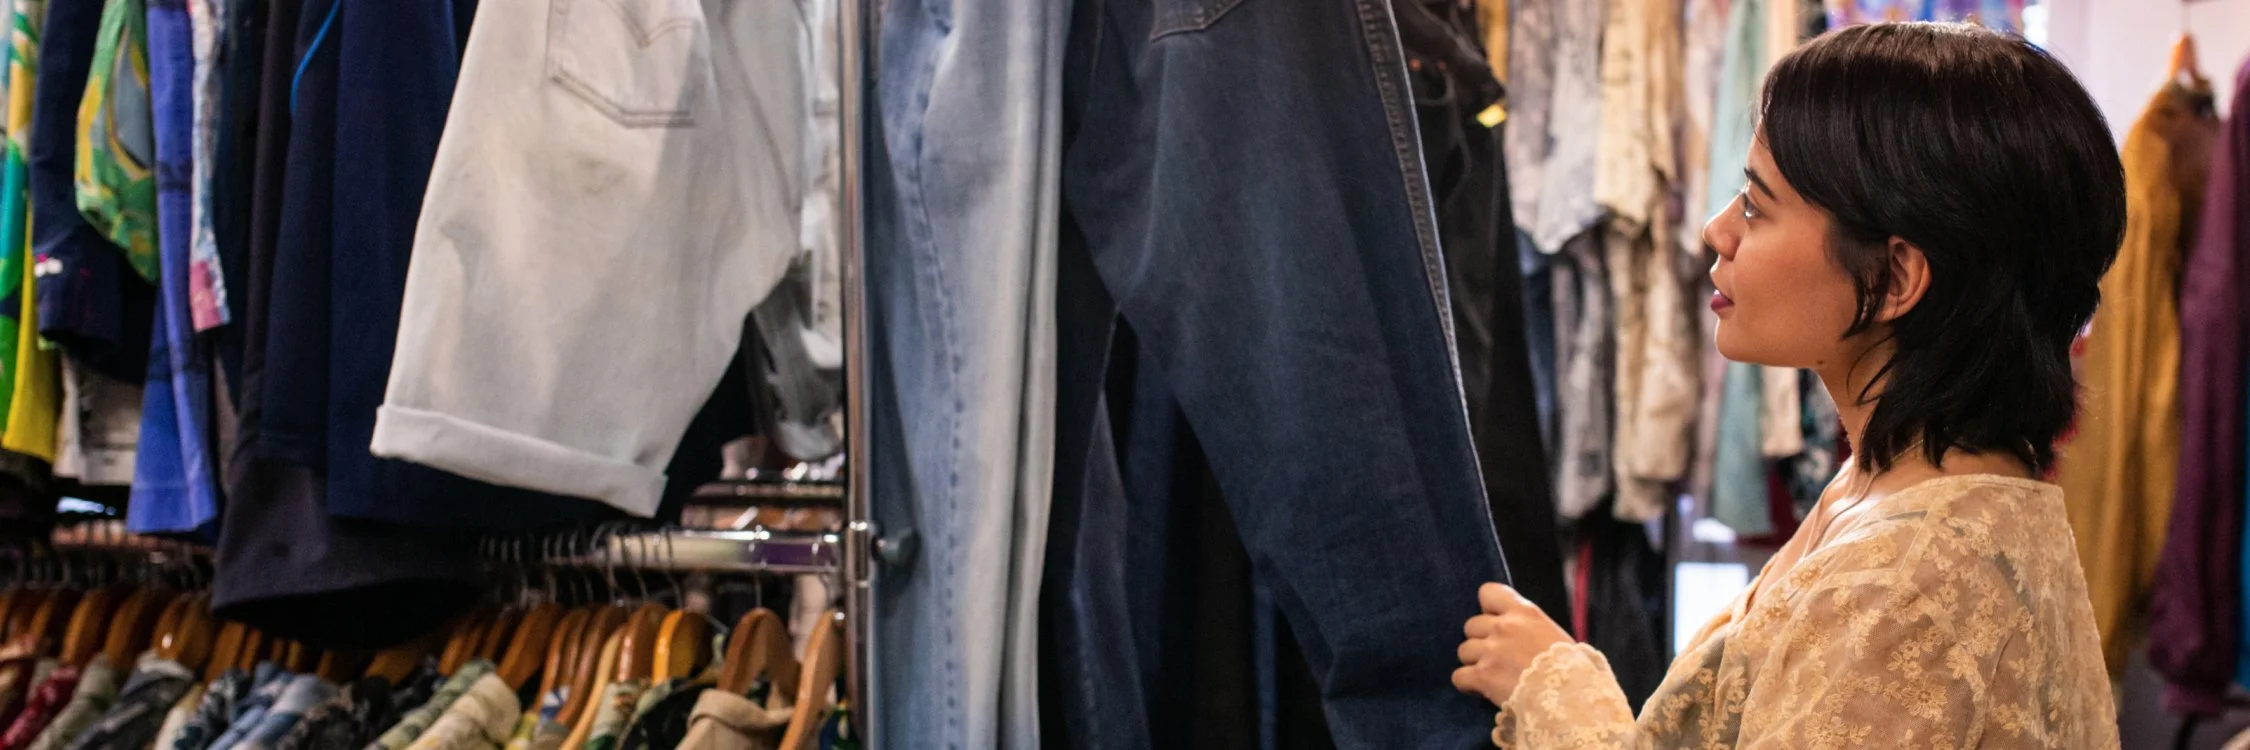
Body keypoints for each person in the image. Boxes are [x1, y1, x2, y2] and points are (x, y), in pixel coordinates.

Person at [1451, 22, 2125, 748]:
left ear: (1893, 277)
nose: (1717, 231)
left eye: (1755, 206)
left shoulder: (1902, 586)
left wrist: (1557, 691)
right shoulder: (1895, 490)